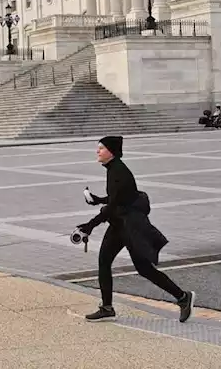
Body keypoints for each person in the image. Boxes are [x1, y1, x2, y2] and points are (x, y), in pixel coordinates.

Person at [76, 135, 194, 324]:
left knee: (144, 268)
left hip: (129, 227)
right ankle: (107, 308)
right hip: (119, 224)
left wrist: (90, 225)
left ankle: (183, 297)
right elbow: (119, 197)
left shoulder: (119, 171)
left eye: (101, 148)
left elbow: (114, 205)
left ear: (111, 151)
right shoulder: (113, 169)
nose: (97, 151)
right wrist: (99, 200)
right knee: (105, 262)